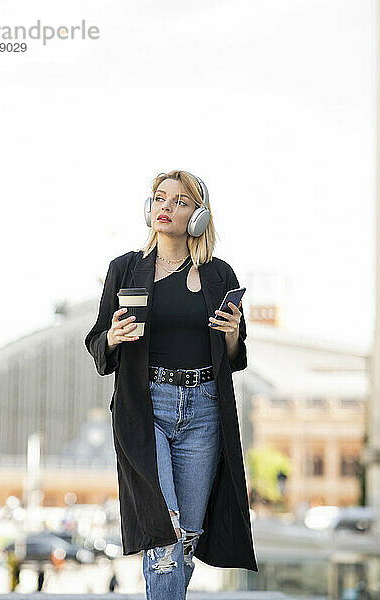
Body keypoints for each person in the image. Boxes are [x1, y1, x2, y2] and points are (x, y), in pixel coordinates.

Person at [85, 170, 258, 600]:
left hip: (204, 412)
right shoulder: (125, 269)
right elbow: (96, 342)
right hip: (148, 409)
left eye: (179, 201)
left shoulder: (219, 275)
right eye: (160, 198)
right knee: (164, 532)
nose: (166, 207)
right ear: (149, 209)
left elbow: (235, 358)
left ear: (198, 216)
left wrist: (234, 332)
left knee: (187, 537)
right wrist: (112, 337)